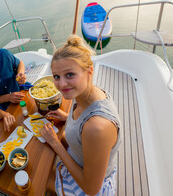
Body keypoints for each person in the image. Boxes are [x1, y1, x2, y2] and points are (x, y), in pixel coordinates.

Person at [40, 35, 121, 195]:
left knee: (37, 182)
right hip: (80, 159)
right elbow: (83, 116)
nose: (61, 84)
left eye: (69, 74)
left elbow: (91, 189)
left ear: (89, 71)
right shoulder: (87, 94)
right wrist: (67, 116)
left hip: (88, 185)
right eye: (56, 76)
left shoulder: (96, 127)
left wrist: (55, 144)